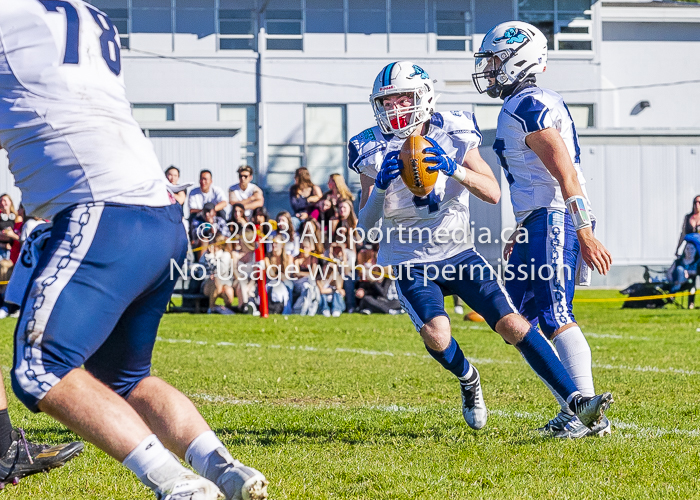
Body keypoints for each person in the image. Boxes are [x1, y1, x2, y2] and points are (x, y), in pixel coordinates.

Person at [0, 3, 267, 499]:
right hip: (161, 217)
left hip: (100, 213)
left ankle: (176, 484)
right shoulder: (87, 14)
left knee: (41, 370)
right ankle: (229, 471)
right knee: (124, 379)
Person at [350, 60, 612, 439]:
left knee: (513, 323)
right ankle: (468, 377)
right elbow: (365, 225)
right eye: (386, 103)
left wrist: (453, 167)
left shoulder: (454, 128)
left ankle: (576, 403)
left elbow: (491, 192)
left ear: (423, 97)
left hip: (459, 253)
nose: (394, 110)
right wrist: (378, 188)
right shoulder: (369, 146)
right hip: (410, 260)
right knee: (437, 335)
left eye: (402, 100)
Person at [473, 22, 614, 437]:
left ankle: (586, 416)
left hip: (556, 216)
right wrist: (522, 226)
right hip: (539, 218)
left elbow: (564, 173)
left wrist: (583, 230)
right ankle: (575, 407)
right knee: (516, 320)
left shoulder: (529, 103)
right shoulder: (524, 102)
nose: (491, 70)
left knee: (555, 314)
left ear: (520, 59)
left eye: (497, 61)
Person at [200, 235, 235, 315]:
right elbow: (200, 271)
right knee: (216, 280)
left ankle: (227, 309)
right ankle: (211, 308)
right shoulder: (206, 255)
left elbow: (221, 270)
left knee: (228, 294)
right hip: (208, 284)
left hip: (224, 283)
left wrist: (212, 258)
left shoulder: (225, 255)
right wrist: (208, 276)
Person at [0, 194, 20, 261]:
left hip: (13, 250)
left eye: (5, 200)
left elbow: (21, 236)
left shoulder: (17, 218)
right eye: (1, 201)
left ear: (10, 202)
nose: (2, 203)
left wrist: (11, 234)